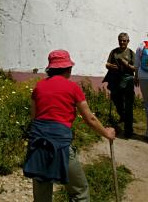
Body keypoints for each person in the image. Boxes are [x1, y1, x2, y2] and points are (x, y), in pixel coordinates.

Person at [24, 49, 115, 202]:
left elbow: (34, 118)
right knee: (80, 192)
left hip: (38, 146)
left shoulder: (38, 87)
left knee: (41, 198)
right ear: (67, 68)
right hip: (61, 147)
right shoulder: (73, 88)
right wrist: (107, 133)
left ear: (51, 68)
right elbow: (90, 119)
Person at [105, 32, 136, 137]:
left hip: (128, 81)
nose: (122, 42)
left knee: (128, 106)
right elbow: (107, 64)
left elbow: (135, 68)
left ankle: (128, 131)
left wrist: (125, 62)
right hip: (116, 80)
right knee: (115, 99)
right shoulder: (113, 52)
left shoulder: (131, 53)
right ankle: (122, 116)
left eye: (124, 40)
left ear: (128, 41)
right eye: (120, 40)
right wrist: (110, 66)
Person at [134, 37, 148, 139]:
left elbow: (136, 64)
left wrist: (136, 77)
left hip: (143, 76)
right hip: (143, 76)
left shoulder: (141, 45)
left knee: (147, 103)